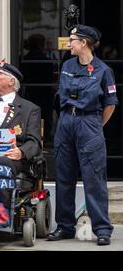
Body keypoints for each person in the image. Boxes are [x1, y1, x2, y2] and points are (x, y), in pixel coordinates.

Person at [47, 25, 118, 246]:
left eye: (72, 40)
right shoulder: (67, 65)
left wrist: (95, 125)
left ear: (84, 43)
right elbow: (60, 97)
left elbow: (110, 105)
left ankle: (102, 229)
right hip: (67, 122)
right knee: (63, 176)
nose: (69, 44)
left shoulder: (103, 70)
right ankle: (65, 226)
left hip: (90, 122)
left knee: (94, 179)